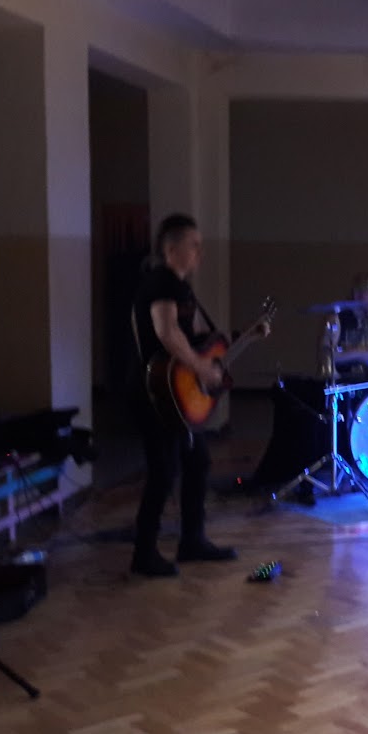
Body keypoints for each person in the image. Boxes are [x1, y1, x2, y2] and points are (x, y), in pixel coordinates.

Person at [128, 213, 269, 576]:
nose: (199, 253)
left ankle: (192, 540)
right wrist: (201, 367)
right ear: (171, 249)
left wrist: (245, 336)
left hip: (175, 395)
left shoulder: (182, 288)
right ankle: (143, 554)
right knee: (163, 472)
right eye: (194, 246)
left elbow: (202, 342)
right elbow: (167, 332)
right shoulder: (161, 283)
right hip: (157, 394)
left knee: (197, 462)